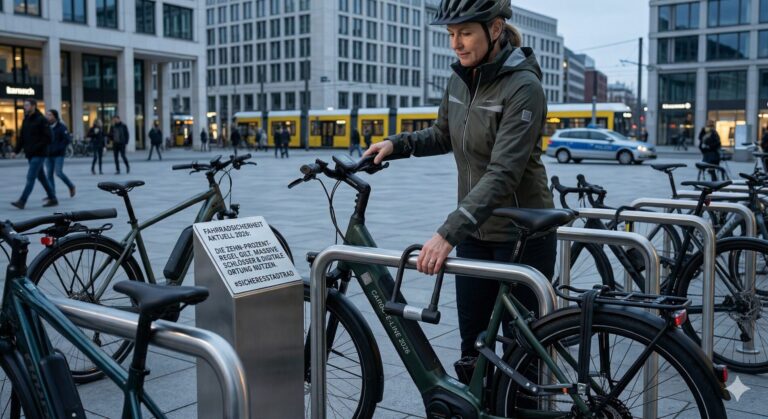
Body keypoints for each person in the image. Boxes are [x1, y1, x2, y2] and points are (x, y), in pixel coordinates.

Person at [363, 0, 554, 384]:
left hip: (520, 235)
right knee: (474, 348)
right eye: (451, 34)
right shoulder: (460, 80)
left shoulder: (523, 86)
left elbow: (503, 173)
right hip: (476, 233)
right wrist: (396, 145)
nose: (456, 43)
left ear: (495, 29)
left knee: (522, 358)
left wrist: (446, 234)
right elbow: (443, 135)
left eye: (465, 32)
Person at [11, 98, 57, 209]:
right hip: (31, 154)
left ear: (33, 106)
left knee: (30, 177)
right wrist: (15, 151)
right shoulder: (26, 119)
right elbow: (22, 138)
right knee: (42, 177)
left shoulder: (41, 119)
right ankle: (53, 198)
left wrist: (36, 147)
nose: (25, 107)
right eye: (24, 105)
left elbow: (49, 138)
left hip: (39, 154)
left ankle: (22, 201)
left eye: (27, 105)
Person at [44, 109, 76, 198]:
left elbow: (66, 140)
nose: (48, 117)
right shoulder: (46, 127)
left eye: (50, 115)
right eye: (47, 115)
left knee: (58, 173)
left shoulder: (61, 127)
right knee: (49, 174)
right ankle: (52, 194)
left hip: (58, 154)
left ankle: (71, 186)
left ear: (55, 116)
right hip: (48, 154)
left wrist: (58, 148)